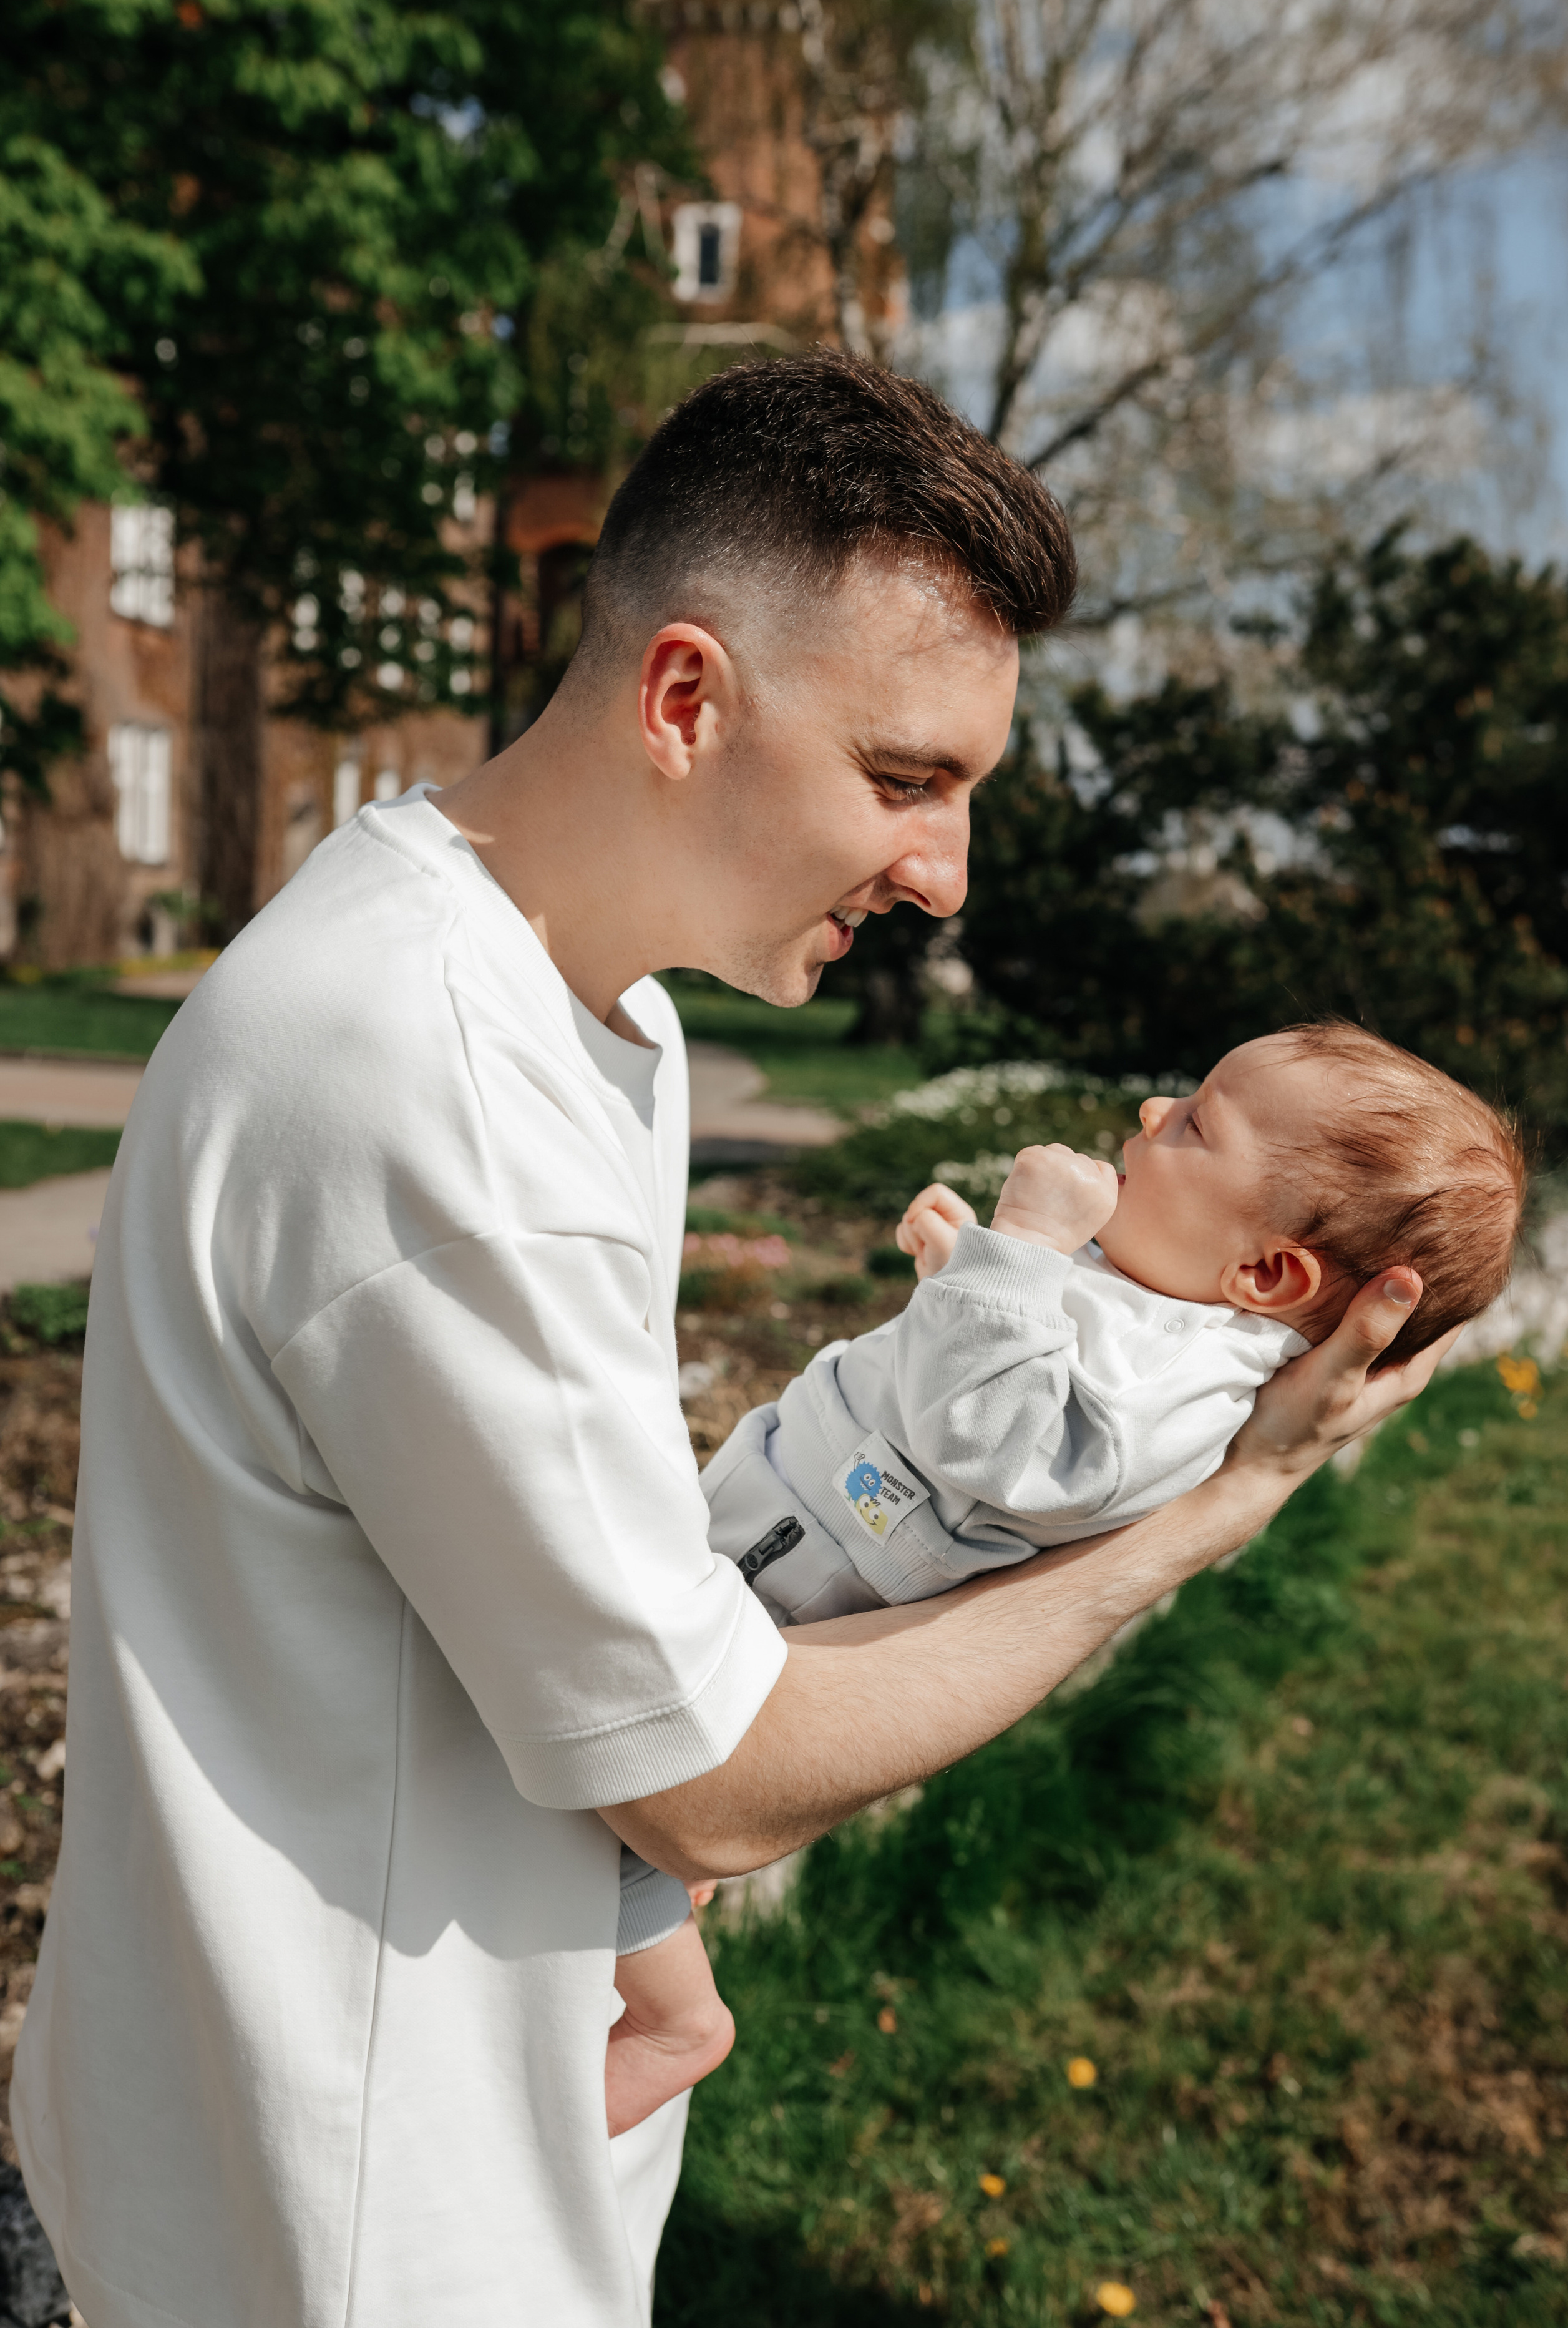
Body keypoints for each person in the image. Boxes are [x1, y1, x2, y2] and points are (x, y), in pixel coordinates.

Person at [15, 356, 1453, 2328]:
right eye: (907, 779)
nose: (947, 875)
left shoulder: (602, 1020)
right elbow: (710, 1780)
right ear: (687, 699)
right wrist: (1208, 1519)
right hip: (360, 2207)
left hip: (450, 2120)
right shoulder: (427, 1080)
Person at [605, 1022, 1524, 2133]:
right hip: (783, 1538)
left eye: (1194, 1124)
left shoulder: (1180, 1381)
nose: (1149, 1117)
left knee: (608, 1800)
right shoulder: (1160, 1299)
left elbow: (1000, 1443)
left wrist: (1026, 1244)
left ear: (1268, 1273)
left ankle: (674, 2019)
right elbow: (1012, 1361)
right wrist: (966, 1265)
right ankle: (664, 1928)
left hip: (791, 1594)